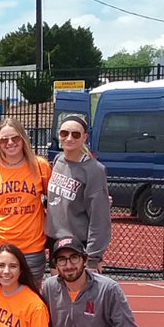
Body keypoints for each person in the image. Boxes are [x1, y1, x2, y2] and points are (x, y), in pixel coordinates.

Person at [0, 117, 51, 286]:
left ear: (23, 138)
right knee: (0, 295)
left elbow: (53, 203)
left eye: (15, 138)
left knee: (32, 295)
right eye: (4, 139)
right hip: (0, 242)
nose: (10, 143)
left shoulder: (40, 166)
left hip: (31, 245)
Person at [46, 115, 112, 270]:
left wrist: (93, 256)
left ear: (84, 137)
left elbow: (99, 217)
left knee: (78, 293)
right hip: (55, 241)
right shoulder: (58, 160)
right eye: (64, 133)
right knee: (57, 292)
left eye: (75, 134)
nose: (69, 138)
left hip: (77, 244)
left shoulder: (94, 170)